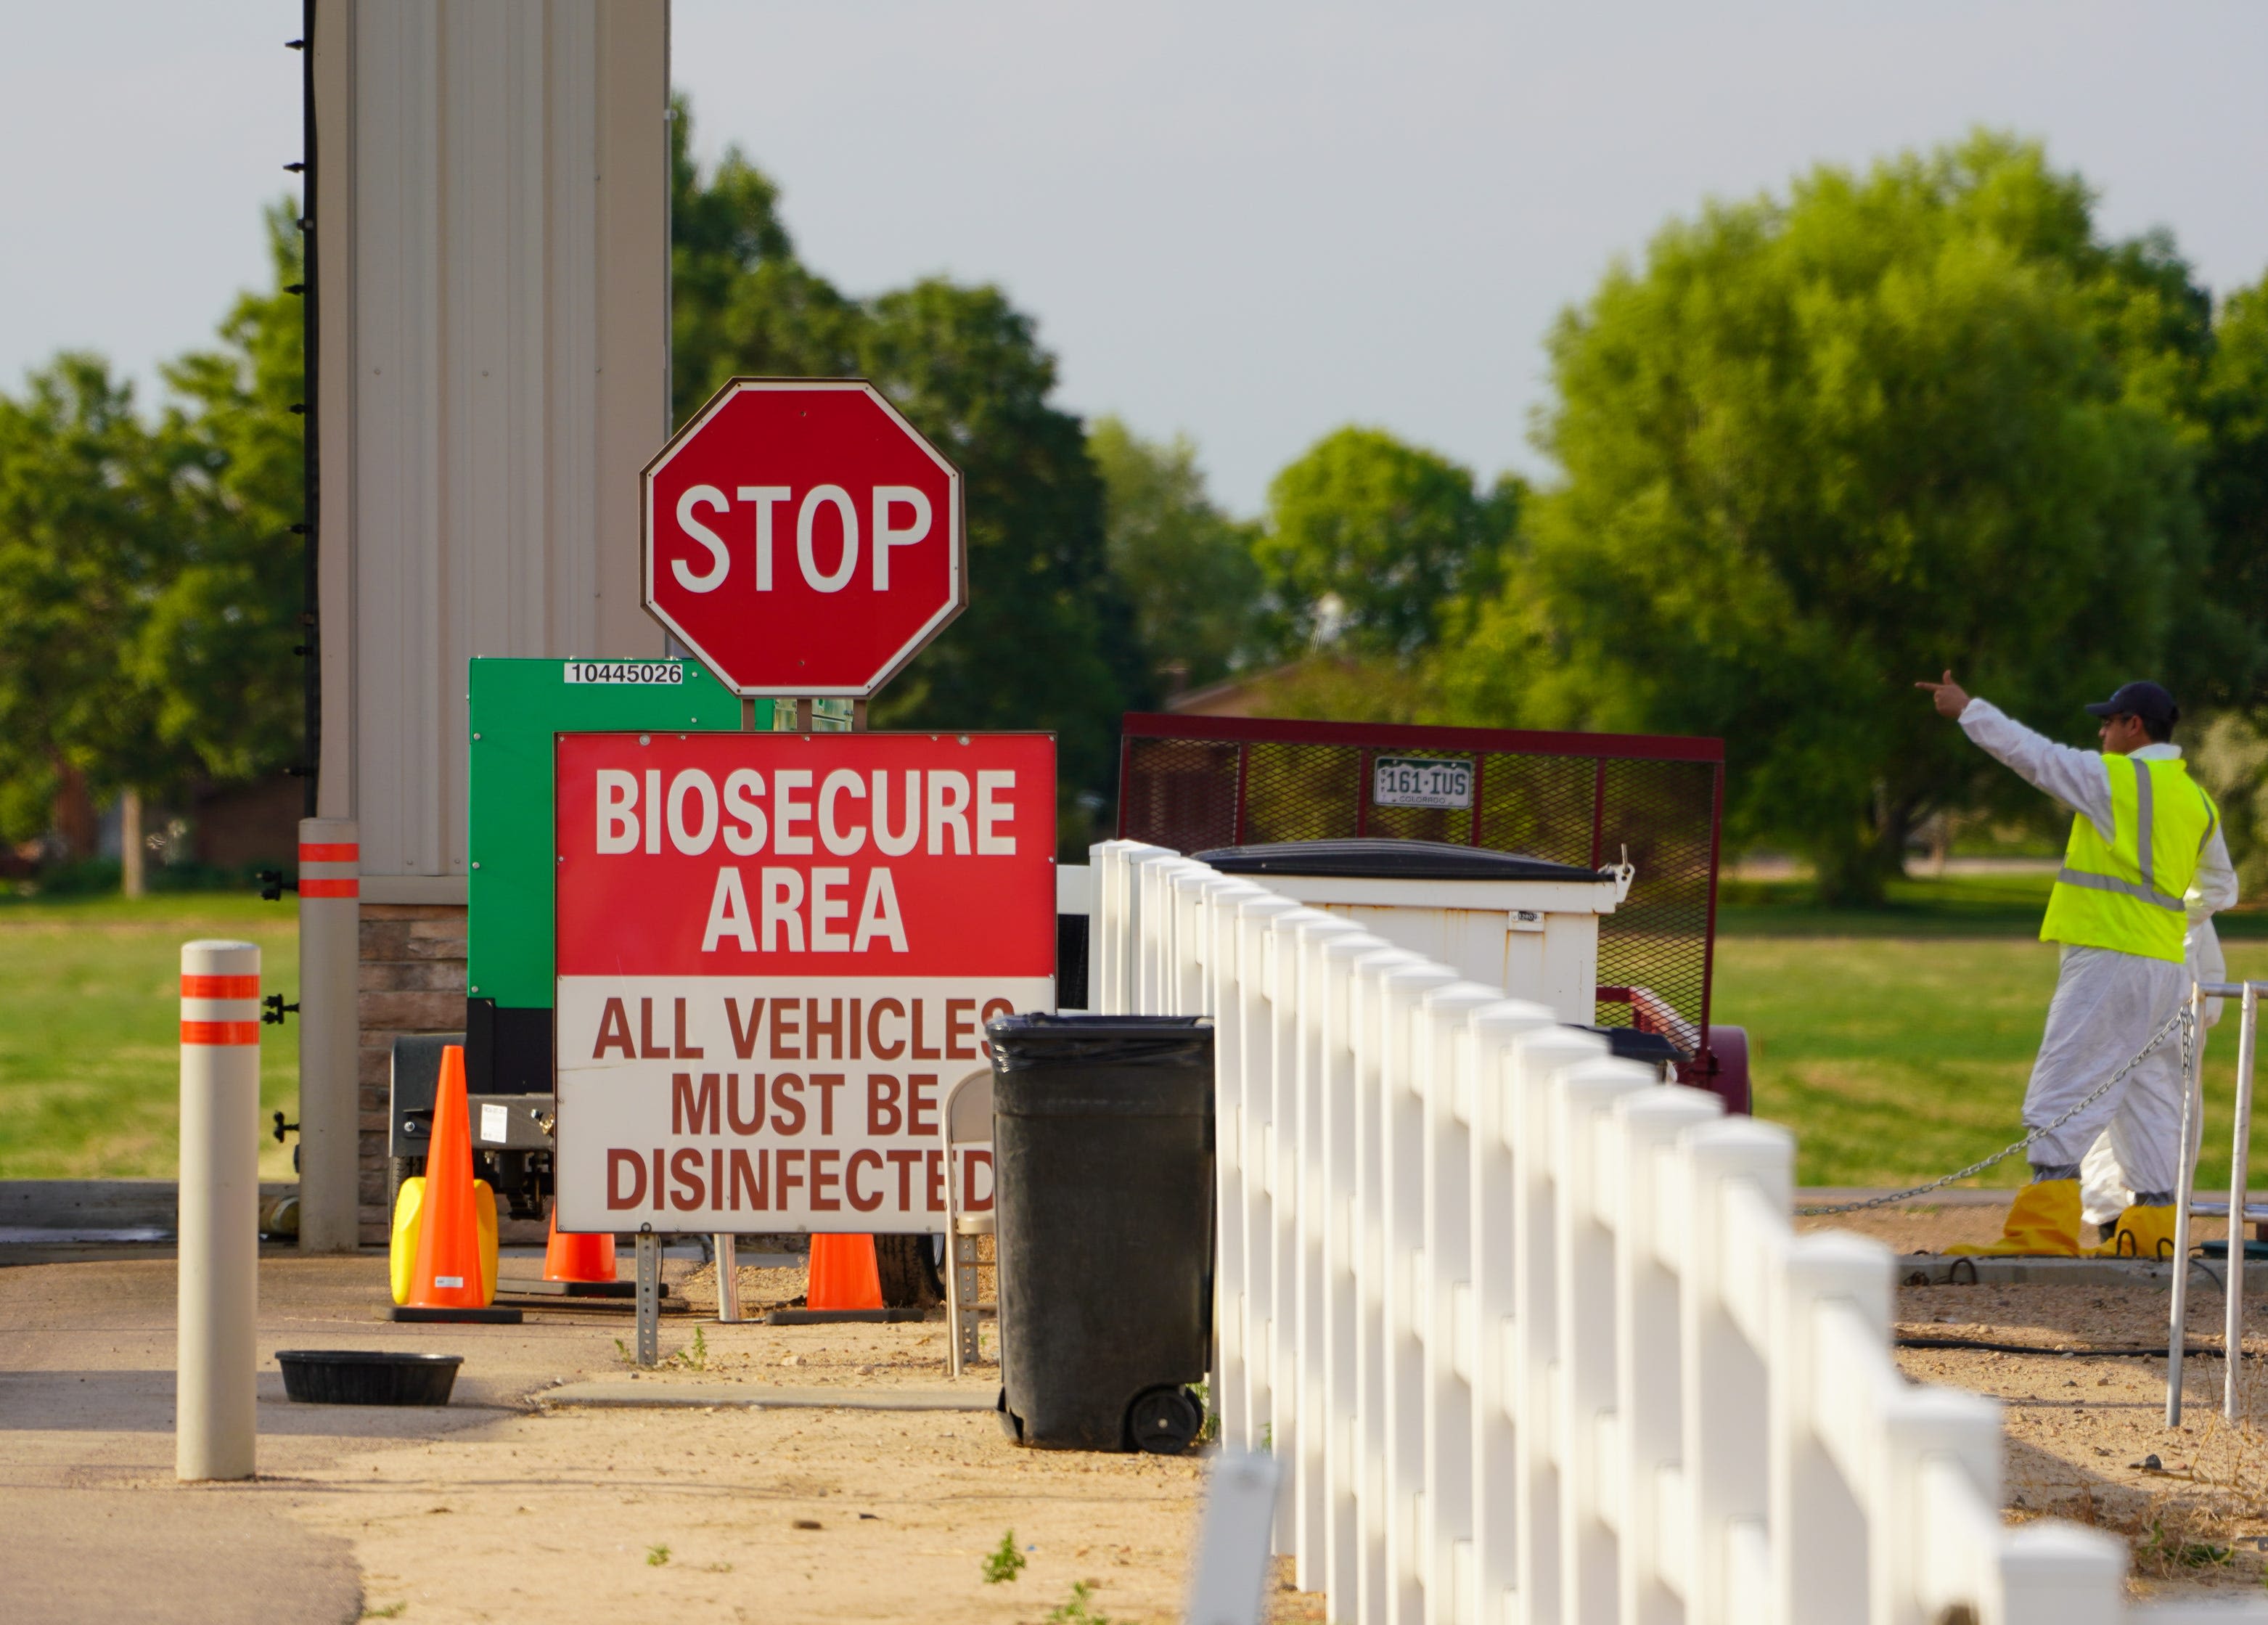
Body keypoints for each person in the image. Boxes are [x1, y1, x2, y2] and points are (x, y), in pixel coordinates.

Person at [1916, 674, 2237, 1257]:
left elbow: (2032, 756)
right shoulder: (2196, 800)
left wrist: (1968, 710)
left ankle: (2042, 1231)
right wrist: (2172, 919)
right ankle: (2152, 1234)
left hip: (2106, 958)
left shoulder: (2114, 778)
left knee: (2064, 1084)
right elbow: (2221, 886)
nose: (2100, 731)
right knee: (2151, 1096)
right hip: (2166, 968)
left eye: (2108, 721)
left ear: (2133, 726)